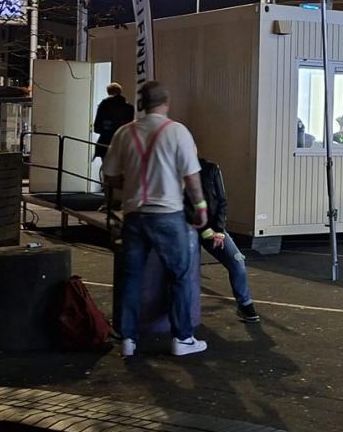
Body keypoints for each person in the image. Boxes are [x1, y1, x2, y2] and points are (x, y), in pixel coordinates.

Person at [103, 81, 208, 358]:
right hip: (168, 215)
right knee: (180, 275)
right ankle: (183, 338)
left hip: (134, 215)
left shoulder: (124, 133)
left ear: (141, 104)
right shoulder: (177, 132)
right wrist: (200, 207)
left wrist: (134, 182)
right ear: (166, 103)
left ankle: (127, 338)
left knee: (131, 278)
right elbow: (191, 177)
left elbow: (110, 175)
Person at [183, 158, 260, 322]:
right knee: (189, 270)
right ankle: (185, 312)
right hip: (189, 228)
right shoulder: (176, 172)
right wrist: (206, 230)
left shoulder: (211, 169)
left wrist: (218, 230)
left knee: (237, 260)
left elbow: (222, 201)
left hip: (213, 228)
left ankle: (245, 304)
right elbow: (183, 206)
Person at [93, 83, 135, 160]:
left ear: (108, 92)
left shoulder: (104, 105)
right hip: (122, 143)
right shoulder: (129, 107)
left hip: (106, 142)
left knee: (106, 167)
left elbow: (97, 127)